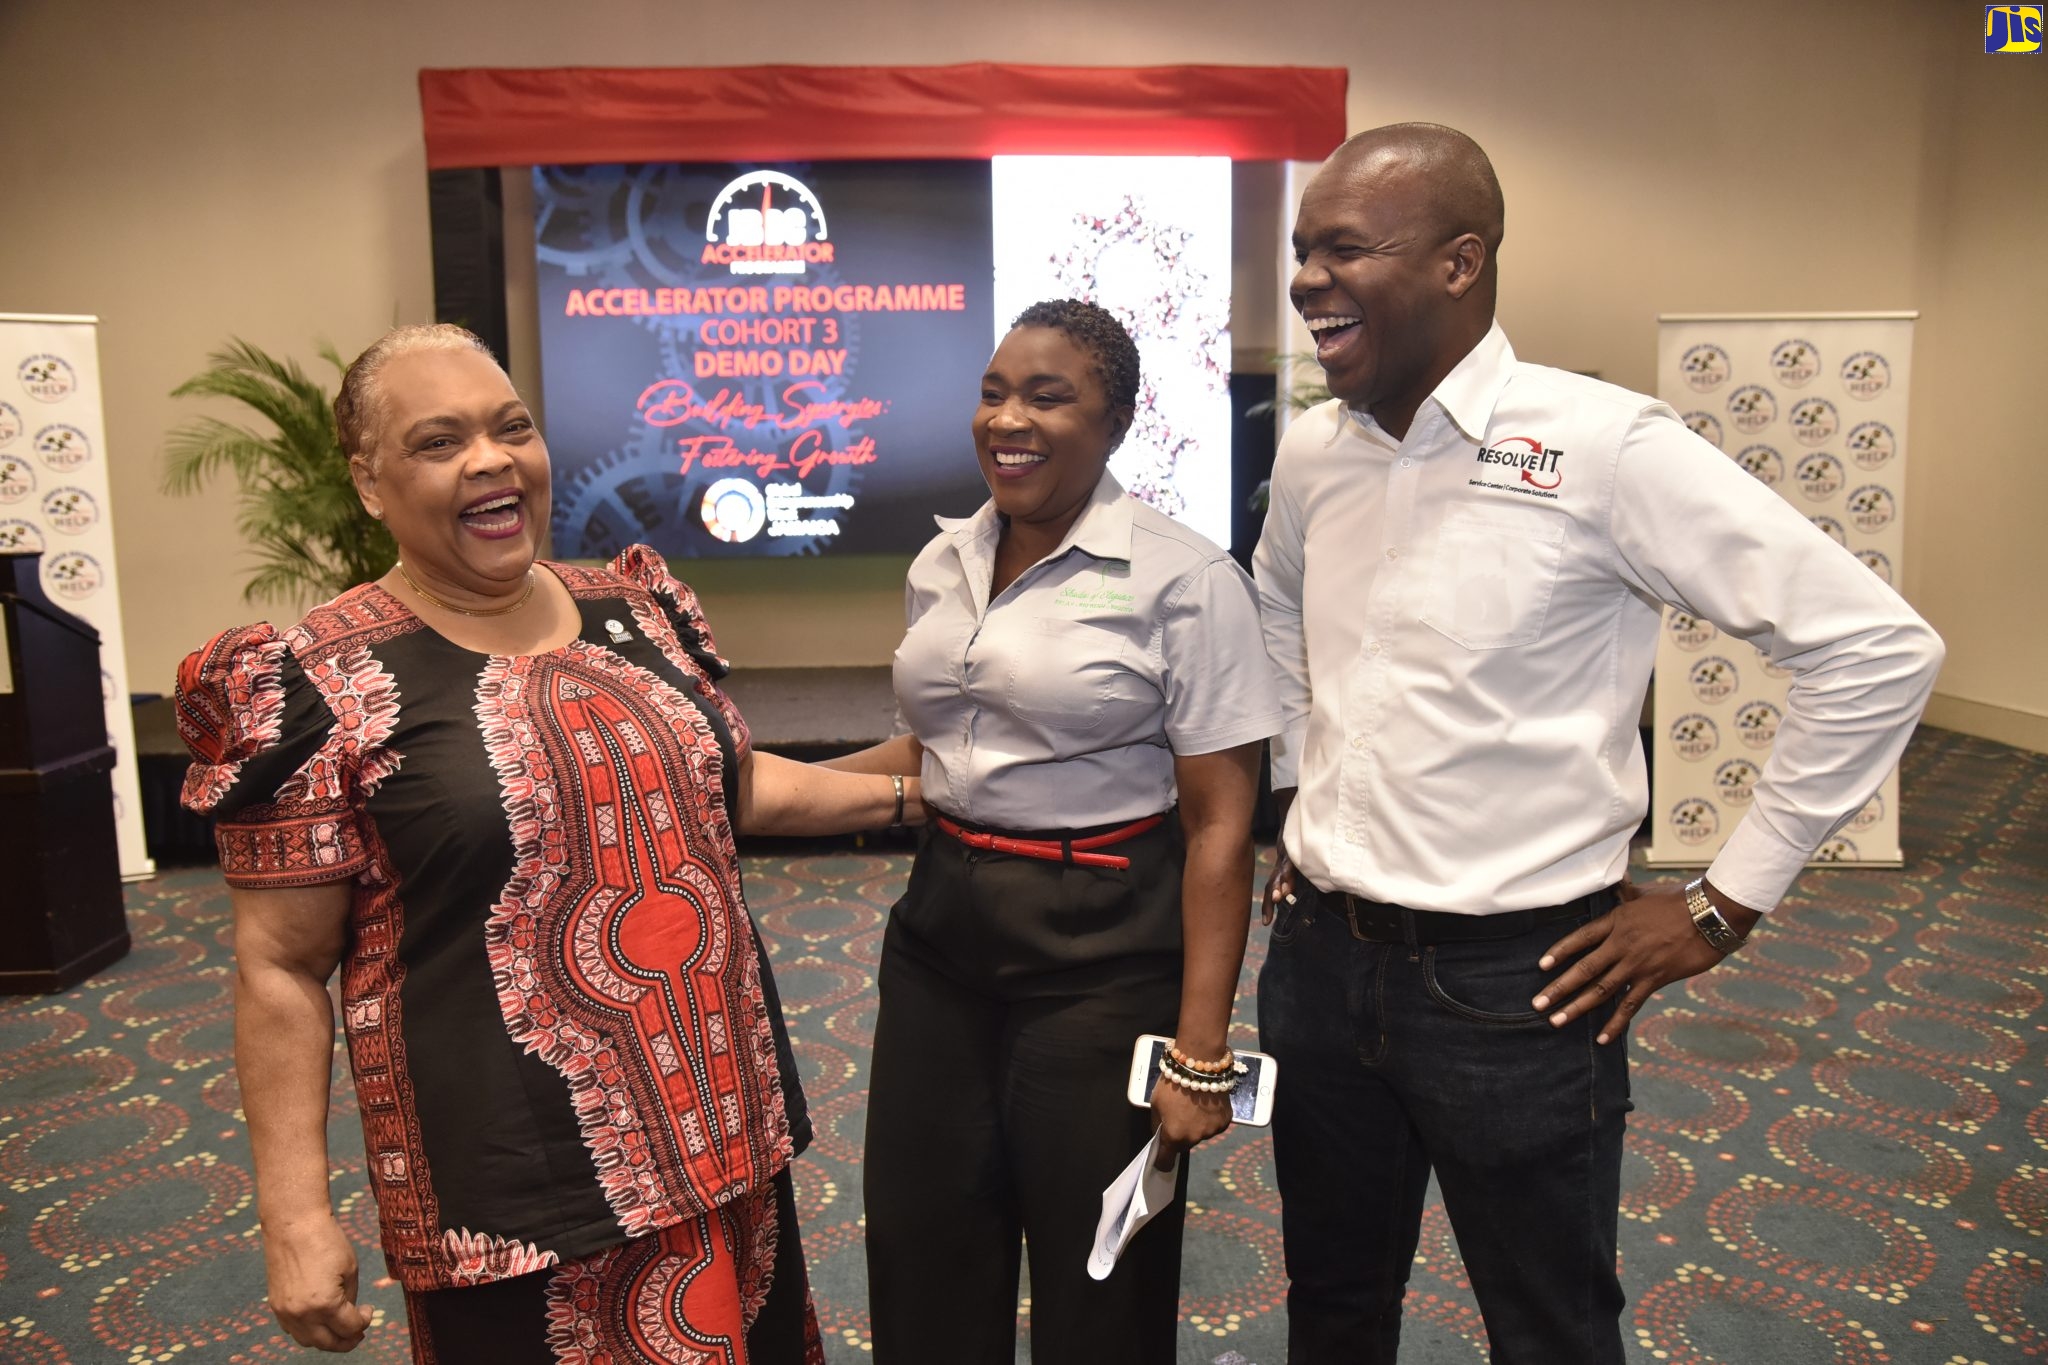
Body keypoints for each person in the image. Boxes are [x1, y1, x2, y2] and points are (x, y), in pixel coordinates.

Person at [1252, 124, 1944, 1364]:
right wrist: (1305, 793)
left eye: (1343, 248)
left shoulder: (1603, 445)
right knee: (1331, 1308)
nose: (1305, 279)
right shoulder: (1314, 449)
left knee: (1551, 1328)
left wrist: (1725, 904)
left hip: (1519, 991)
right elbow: (1275, 609)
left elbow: (1877, 649)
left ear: (1461, 264)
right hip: (1317, 962)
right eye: (1303, 251)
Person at [175, 323, 921, 1364]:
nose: (490, 460)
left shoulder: (634, 605)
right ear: (369, 481)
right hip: (517, 1202)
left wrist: (918, 789)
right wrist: (294, 1216)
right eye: (439, 443)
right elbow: (281, 966)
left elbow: (726, 783)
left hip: (726, 1140)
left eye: (510, 427)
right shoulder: (310, 682)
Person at [825, 300, 1282, 1363]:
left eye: (1046, 395)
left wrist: (1200, 1051)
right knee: (921, 1241)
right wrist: (746, 786)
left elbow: (1221, 825)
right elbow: (928, 754)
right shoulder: (940, 562)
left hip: (1102, 949)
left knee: (1098, 1271)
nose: (1007, 418)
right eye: (992, 392)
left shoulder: (1185, 579)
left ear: (1114, 420)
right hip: (940, 935)